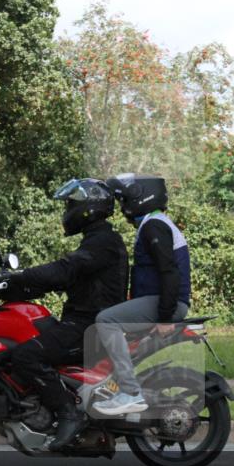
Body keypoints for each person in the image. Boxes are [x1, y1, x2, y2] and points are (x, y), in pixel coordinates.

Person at [0, 178, 128, 450]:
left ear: (89, 208)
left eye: (71, 205)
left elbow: (64, 270)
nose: (68, 211)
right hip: (84, 321)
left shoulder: (103, 243)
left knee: (27, 355)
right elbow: (63, 279)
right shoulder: (96, 241)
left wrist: (20, 276)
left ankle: (69, 413)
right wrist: (13, 288)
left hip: (90, 326)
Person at [93, 174, 190, 415]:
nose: (122, 207)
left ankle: (130, 392)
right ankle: (113, 388)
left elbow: (169, 272)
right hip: (161, 301)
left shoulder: (153, 226)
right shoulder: (156, 222)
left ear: (140, 197)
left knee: (106, 320)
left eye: (123, 200)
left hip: (167, 303)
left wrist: (165, 317)